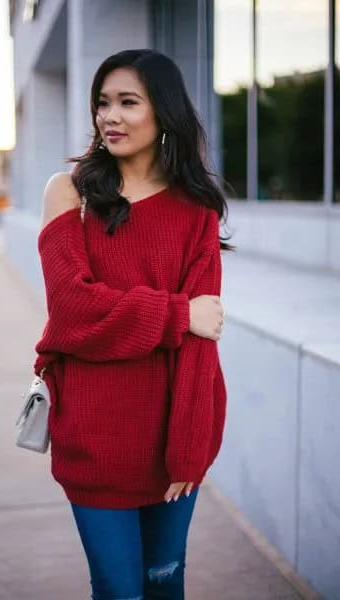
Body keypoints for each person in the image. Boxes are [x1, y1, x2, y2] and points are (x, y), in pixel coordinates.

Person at [33, 48, 235, 600]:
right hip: (95, 440)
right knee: (119, 592)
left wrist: (190, 449)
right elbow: (73, 312)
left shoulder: (197, 211)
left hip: (173, 441)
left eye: (128, 102)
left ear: (163, 112)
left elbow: (202, 347)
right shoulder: (69, 193)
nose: (110, 116)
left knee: (166, 588)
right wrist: (177, 314)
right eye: (103, 103)